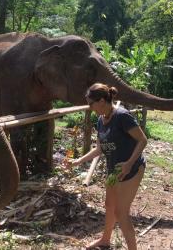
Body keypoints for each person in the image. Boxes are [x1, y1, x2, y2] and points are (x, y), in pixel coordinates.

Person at [66, 83, 147, 250]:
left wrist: (129, 163)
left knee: (121, 213)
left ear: (102, 100)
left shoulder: (122, 116)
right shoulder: (101, 120)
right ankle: (105, 240)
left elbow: (142, 140)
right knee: (109, 206)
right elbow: (100, 148)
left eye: (91, 103)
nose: (90, 107)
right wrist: (78, 161)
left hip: (131, 169)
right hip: (114, 170)